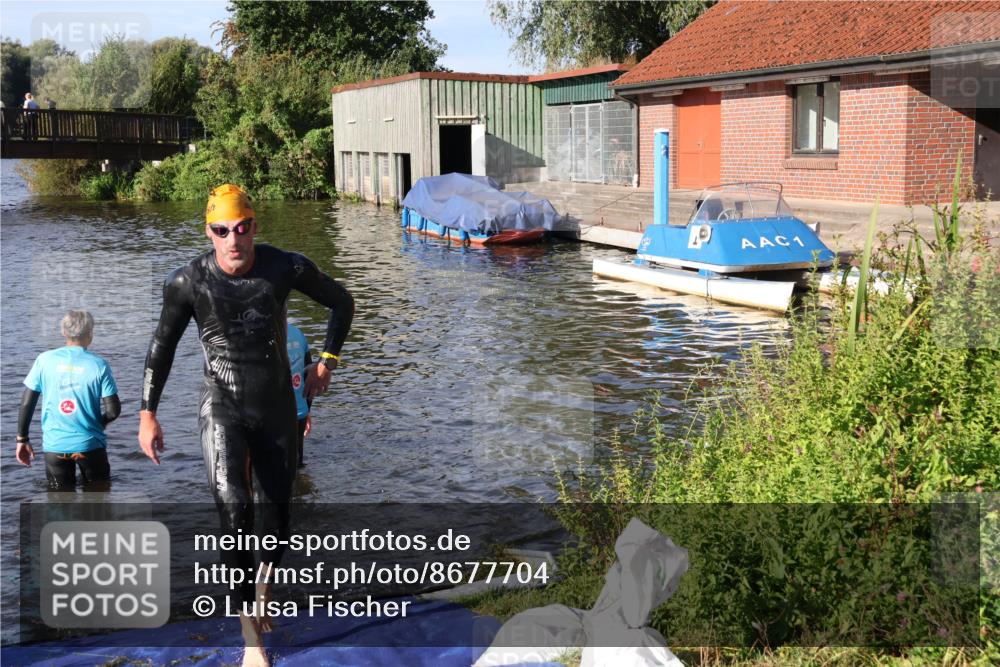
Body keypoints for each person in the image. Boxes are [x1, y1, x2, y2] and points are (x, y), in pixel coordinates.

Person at [138, 183, 353, 667]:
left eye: (242, 228)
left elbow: (342, 302)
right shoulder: (187, 281)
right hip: (222, 405)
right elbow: (161, 347)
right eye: (222, 231)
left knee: (277, 517)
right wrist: (147, 413)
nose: (233, 239)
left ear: (255, 226)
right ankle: (250, 637)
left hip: (276, 406)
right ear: (208, 232)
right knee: (234, 513)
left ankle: (264, 586)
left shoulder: (284, 267)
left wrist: (327, 362)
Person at [16, 310, 121, 490]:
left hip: (55, 446)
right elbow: (113, 411)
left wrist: (22, 439)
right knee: (98, 497)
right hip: (90, 446)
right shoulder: (99, 365)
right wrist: (99, 424)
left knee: (60, 498)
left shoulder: (44, 360)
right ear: (90, 334)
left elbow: (27, 403)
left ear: (63, 332)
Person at [286, 319, 314, 467]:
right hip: (299, 412)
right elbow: (309, 378)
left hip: (268, 418)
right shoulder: (298, 334)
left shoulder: (255, 336)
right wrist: (307, 410)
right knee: (296, 464)